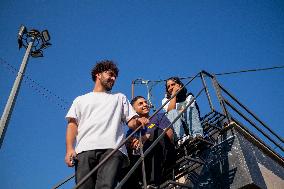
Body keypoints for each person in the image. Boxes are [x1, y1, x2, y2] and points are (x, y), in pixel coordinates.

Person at [64, 60, 149, 189]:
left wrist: (138, 121)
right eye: (110, 74)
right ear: (98, 74)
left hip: (112, 149)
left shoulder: (119, 97)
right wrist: (70, 149)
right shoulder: (80, 100)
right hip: (84, 150)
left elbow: (131, 122)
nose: (113, 78)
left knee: (105, 187)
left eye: (115, 76)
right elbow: (72, 125)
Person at [123, 96, 176, 188]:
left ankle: (153, 183)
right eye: (141, 104)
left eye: (145, 102)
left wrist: (145, 137)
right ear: (133, 109)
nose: (145, 105)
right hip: (143, 160)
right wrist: (132, 144)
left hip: (163, 153)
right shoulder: (132, 131)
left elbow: (169, 135)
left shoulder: (159, 116)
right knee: (124, 147)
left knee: (156, 131)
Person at [162, 77, 203, 144]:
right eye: (168, 86)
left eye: (173, 84)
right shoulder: (165, 100)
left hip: (190, 123)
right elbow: (171, 111)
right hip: (176, 127)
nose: (171, 87)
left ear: (179, 85)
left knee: (189, 107)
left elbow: (192, 111)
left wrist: (181, 111)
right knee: (172, 112)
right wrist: (174, 94)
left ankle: (197, 134)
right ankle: (181, 139)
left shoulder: (189, 97)